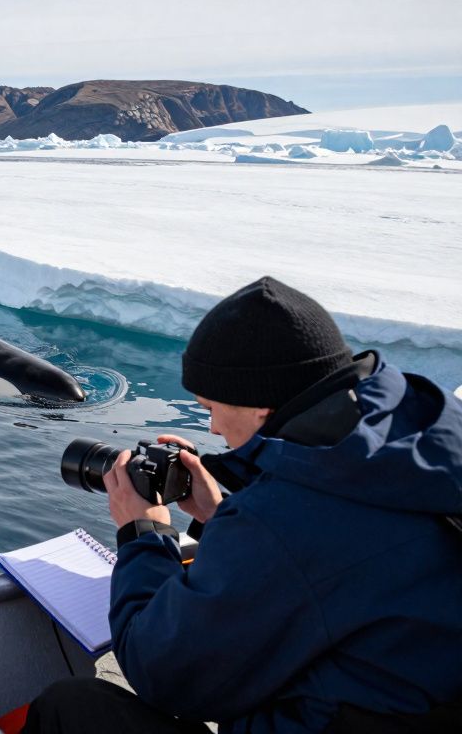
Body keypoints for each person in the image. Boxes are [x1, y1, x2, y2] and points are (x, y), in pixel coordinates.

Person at [24, 277, 462, 734]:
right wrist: (221, 516)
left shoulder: (285, 520)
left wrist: (145, 533)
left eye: (210, 406)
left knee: (71, 708)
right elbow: (345, 562)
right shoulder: (426, 436)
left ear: (258, 407)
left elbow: (166, 675)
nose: (212, 428)